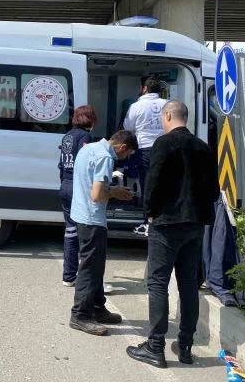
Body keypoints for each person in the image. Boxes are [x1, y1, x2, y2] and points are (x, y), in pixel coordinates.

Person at [126, 100, 220, 369]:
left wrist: (149, 213)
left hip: (166, 224)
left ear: (167, 115)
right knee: (188, 285)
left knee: (158, 283)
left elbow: (153, 182)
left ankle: (155, 347)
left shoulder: (163, 144)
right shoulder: (203, 148)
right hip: (195, 225)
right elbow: (214, 192)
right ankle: (185, 346)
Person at [69, 130, 137, 336]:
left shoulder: (88, 148)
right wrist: (115, 192)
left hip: (80, 213)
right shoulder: (105, 157)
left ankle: (98, 308)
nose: (124, 159)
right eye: (127, 154)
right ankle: (80, 315)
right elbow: (97, 194)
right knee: (90, 269)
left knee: (96, 266)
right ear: (122, 147)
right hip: (92, 218)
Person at [58, 105, 97, 287]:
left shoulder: (67, 136)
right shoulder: (85, 137)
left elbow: (61, 164)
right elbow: (88, 164)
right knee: (85, 233)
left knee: (70, 231)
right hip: (78, 187)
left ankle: (68, 275)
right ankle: (88, 278)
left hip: (65, 185)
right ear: (90, 119)